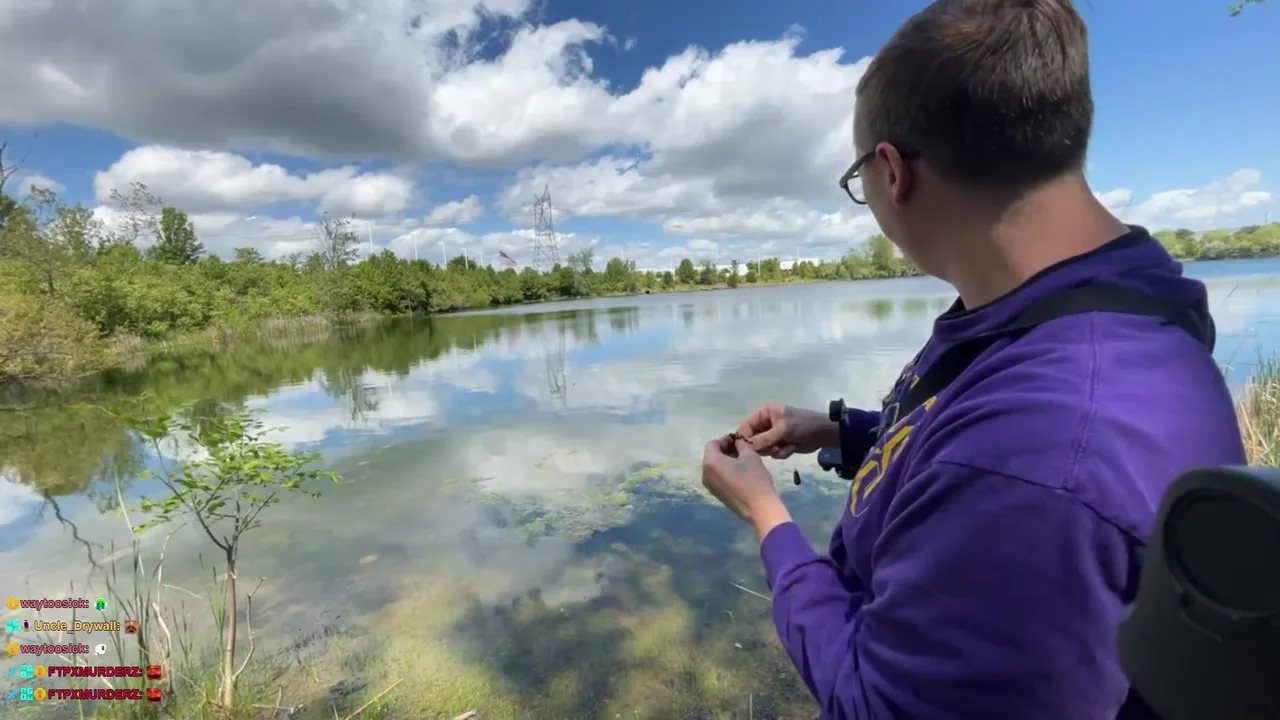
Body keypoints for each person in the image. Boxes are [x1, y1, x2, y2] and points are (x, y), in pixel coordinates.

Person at [699, 1, 1248, 718]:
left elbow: (875, 703)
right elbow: (962, 434)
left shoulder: (1042, 459)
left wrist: (766, 515)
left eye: (857, 178)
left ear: (892, 171)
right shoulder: (1069, 314)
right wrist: (841, 431)